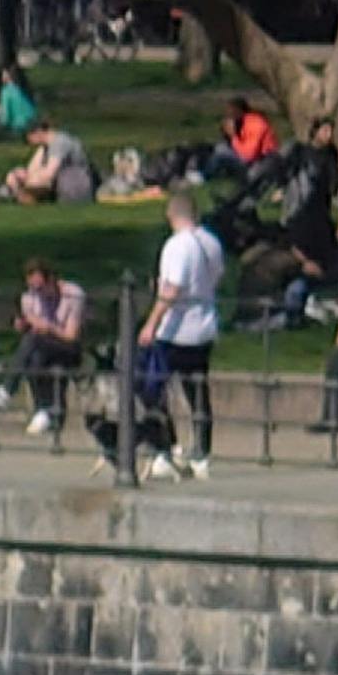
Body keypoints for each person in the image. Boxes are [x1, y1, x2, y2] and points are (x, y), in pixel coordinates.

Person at [140, 190, 225, 480]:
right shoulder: (212, 242)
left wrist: (151, 323)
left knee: (152, 388)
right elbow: (217, 276)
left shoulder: (177, 246)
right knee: (197, 391)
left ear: (171, 215)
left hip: (176, 329)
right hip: (204, 325)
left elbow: (171, 290)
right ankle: (202, 452)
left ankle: (166, 447)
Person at [0, 258, 86, 435]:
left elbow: (71, 336)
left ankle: (7, 390)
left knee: (34, 341)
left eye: (41, 288)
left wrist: (48, 327)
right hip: (41, 348)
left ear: (51, 280)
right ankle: (44, 412)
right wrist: (24, 325)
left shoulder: (73, 294)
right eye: (33, 288)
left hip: (67, 348)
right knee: (34, 351)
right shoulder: (29, 298)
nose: (38, 293)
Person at [1, 118, 95, 206]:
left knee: (37, 180)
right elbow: (32, 169)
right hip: (61, 183)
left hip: (74, 185)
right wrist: (18, 175)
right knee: (16, 174)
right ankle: (19, 197)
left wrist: (27, 181)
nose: (29, 142)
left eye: (28, 137)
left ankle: (23, 198)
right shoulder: (45, 147)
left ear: (38, 133)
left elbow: (49, 173)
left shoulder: (60, 143)